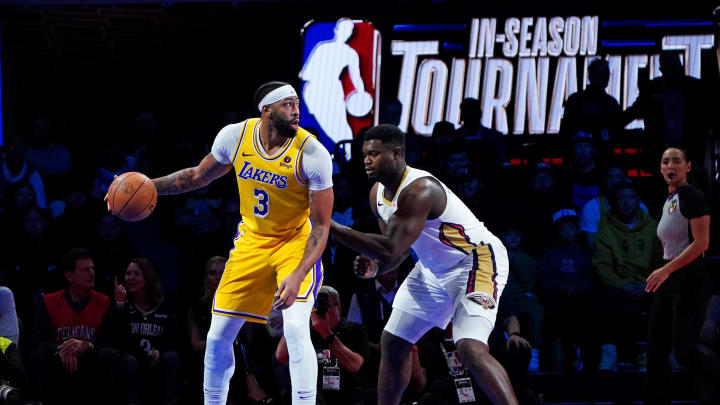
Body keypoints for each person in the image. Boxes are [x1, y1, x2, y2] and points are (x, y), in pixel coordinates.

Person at [128, 81, 334, 405]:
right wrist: (145, 188)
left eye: (297, 104)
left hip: (295, 241)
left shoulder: (312, 153)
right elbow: (196, 177)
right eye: (287, 104)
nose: (296, 110)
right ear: (266, 110)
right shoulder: (236, 136)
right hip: (252, 241)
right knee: (217, 336)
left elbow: (321, 227)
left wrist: (296, 276)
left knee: (294, 329)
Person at [330, 124, 517, 405]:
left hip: (475, 260)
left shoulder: (421, 189)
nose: (367, 160)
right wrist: (377, 268)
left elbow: (390, 246)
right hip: (432, 269)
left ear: (396, 153)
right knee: (393, 343)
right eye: (365, 154)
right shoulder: (376, 195)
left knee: (468, 347)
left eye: (374, 154)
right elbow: (397, 252)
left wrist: (327, 225)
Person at [644, 147, 712, 405]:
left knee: (684, 352)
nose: (670, 165)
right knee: (655, 348)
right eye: (665, 161)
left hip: (690, 278)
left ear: (688, 167)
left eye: (676, 161)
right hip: (669, 277)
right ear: (661, 168)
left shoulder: (693, 196)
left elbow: (701, 244)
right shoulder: (670, 198)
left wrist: (666, 269)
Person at [29, 248, 121, 405]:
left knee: (109, 354)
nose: (92, 273)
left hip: (90, 359)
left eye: (93, 268)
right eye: (85, 269)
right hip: (59, 358)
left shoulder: (104, 302)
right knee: (39, 354)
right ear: (69, 275)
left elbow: (110, 340)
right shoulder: (49, 301)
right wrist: (63, 348)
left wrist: (86, 345)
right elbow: (39, 339)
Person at [592, 181, 661, 371]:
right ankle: (609, 353)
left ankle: (660, 353)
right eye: (621, 198)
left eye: (630, 198)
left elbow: (661, 262)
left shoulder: (654, 227)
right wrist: (624, 285)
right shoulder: (605, 230)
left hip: (648, 284)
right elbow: (602, 267)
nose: (626, 203)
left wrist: (648, 284)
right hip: (620, 286)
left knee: (669, 295)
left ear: (637, 200)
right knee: (603, 296)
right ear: (615, 202)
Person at [277, 286, 373, 405]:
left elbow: (354, 365)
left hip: (351, 397)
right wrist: (299, 318)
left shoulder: (355, 330)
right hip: (317, 398)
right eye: (315, 307)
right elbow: (281, 356)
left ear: (338, 308)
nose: (319, 310)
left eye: (324, 306)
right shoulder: (306, 330)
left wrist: (326, 333)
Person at [114, 258, 182, 405]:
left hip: (157, 359)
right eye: (128, 274)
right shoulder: (122, 306)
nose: (131, 278)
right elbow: (118, 338)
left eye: (136, 274)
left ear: (147, 278)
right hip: (133, 359)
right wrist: (119, 305)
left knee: (171, 357)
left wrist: (160, 350)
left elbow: (173, 338)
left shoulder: (164, 305)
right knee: (128, 360)